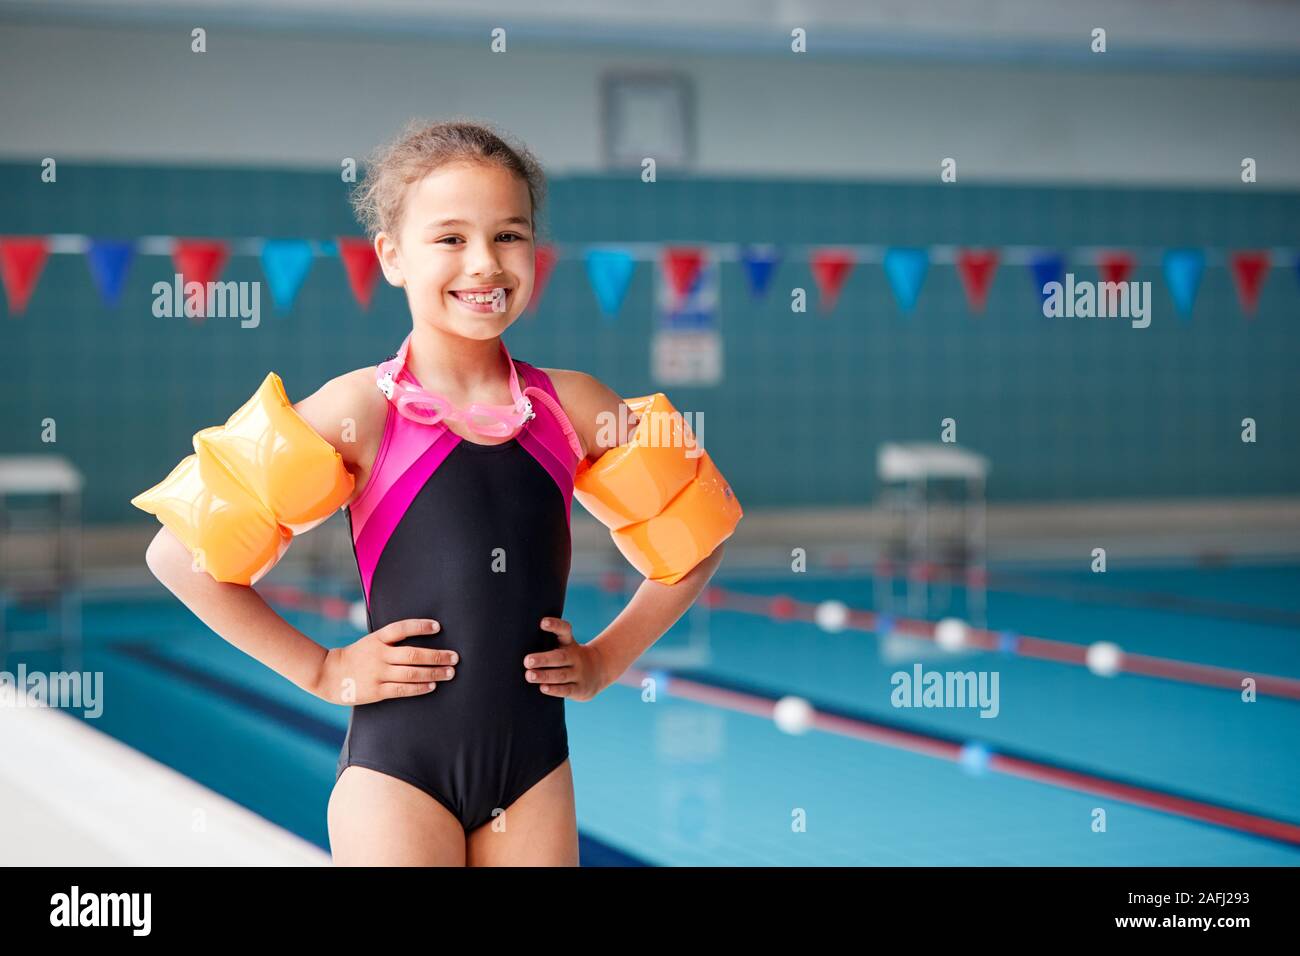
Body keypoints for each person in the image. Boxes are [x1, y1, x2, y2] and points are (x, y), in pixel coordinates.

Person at [136, 118, 740, 866]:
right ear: (391, 256)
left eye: (509, 236)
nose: (484, 264)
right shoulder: (360, 409)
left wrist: (608, 660)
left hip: (535, 774)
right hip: (398, 775)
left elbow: (699, 534)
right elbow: (179, 556)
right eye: (450, 239)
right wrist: (322, 668)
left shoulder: (574, 406)